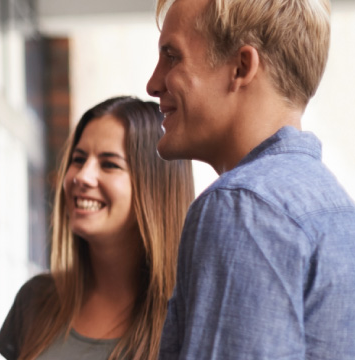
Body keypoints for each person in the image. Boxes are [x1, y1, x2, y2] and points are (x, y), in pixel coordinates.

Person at [146, 0, 355, 358]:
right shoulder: (335, 209)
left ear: (241, 67)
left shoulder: (241, 208)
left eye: (172, 56)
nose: (153, 84)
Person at [0, 97, 194, 360]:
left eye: (109, 164)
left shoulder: (189, 316)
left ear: (156, 188)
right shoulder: (36, 299)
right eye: (78, 159)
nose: (81, 176)